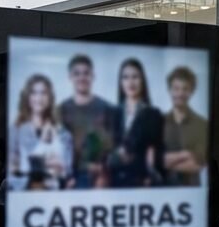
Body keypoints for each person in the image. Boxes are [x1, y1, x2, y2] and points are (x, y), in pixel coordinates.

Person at [61, 54, 118, 189]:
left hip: (102, 179)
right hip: (71, 179)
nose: (82, 77)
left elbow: (115, 145)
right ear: (70, 77)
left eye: (86, 73)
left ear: (93, 75)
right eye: (77, 73)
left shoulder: (107, 108)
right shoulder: (61, 110)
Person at [9, 74, 73, 191]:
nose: (39, 98)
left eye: (44, 93)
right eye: (34, 92)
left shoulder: (63, 133)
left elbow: (67, 171)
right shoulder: (15, 131)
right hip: (24, 196)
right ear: (27, 97)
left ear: (50, 97)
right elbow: (12, 172)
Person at [110, 58, 164, 188]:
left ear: (143, 80)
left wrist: (149, 177)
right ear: (120, 82)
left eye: (135, 77)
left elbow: (153, 152)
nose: (130, 82)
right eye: (126, 77)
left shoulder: (153, 114)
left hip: (142, 182)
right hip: (114, 182)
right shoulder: (112, 113)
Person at [162, 67, 208, 187]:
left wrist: (166, 162)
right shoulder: (159, 122)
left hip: (191, 191)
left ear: (191, 91)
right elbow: (154, 159)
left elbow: (198, 164)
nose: (180, 93)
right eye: (176, 88)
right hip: (161, 191)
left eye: (185, 89)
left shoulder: (202, 124)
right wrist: (186, 154)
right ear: (170, 90)